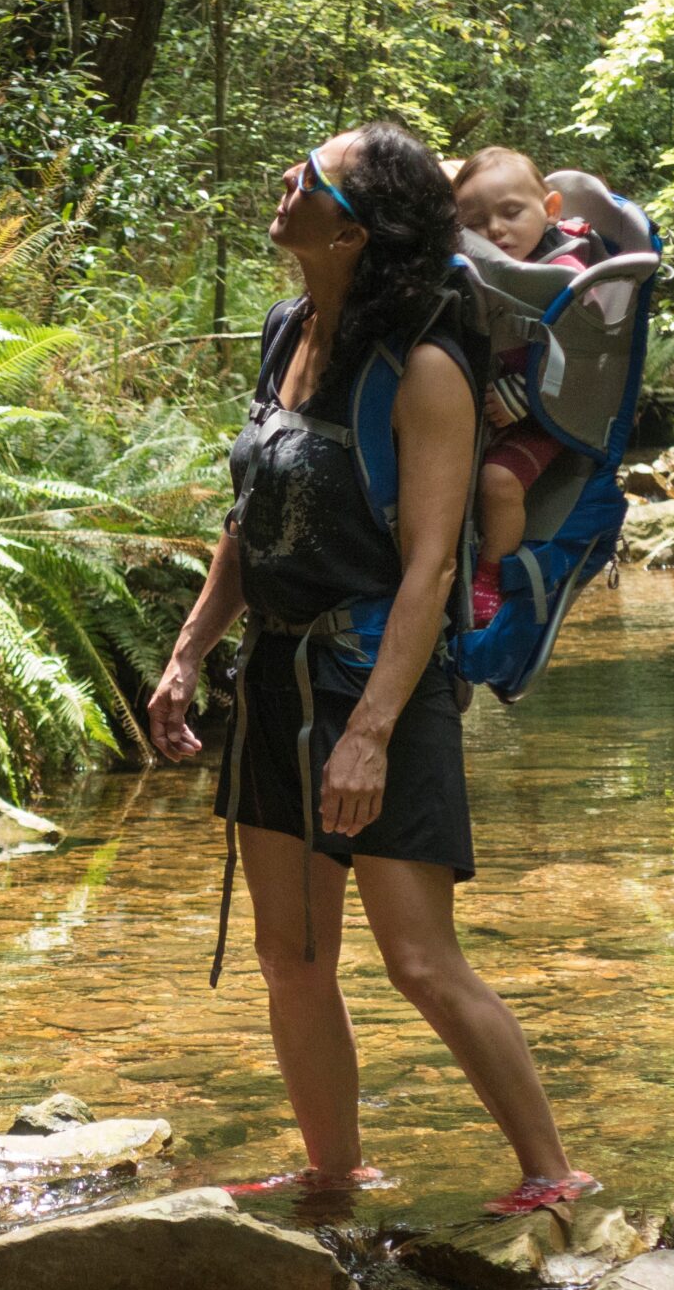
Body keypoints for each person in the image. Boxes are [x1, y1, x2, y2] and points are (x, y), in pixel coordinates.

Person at [146, 122, 597, 1215]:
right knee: (290, 955)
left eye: (310, 174)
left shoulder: (426, 367)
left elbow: (431, 564)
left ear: (351, 229)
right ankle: (334, 1172)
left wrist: (372, 729)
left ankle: (551, 1175)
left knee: (417, 959)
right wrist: (186, 652)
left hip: (376, 683)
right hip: (273, 679)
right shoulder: (284, 330)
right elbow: (250, 517)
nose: (285, 176)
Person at [451, 146, 592, 624]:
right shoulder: (482, 270)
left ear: (550, 209)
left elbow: (587, 364)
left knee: (497, 481)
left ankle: (491, 574)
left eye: (512, 213)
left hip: (548, 414)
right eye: (476, 221)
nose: (494, 231)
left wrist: (522, 399)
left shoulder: (567, 276)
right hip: (487, 405)